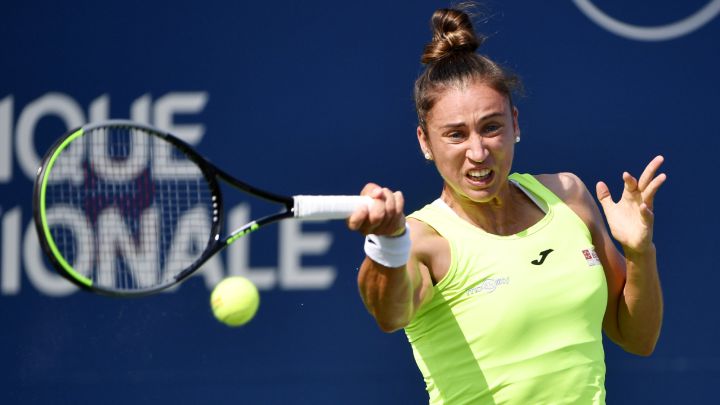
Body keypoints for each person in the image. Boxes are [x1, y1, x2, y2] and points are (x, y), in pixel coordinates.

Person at [347, 6, 665, 405]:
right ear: (425, 142)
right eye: (456, 135)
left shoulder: (568, 194)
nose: (478, 152)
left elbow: (638, 338)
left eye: (492, 127)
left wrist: (639, 253)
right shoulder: (422, 239)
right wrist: (387, 244)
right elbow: (389, 315)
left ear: (516, 123)